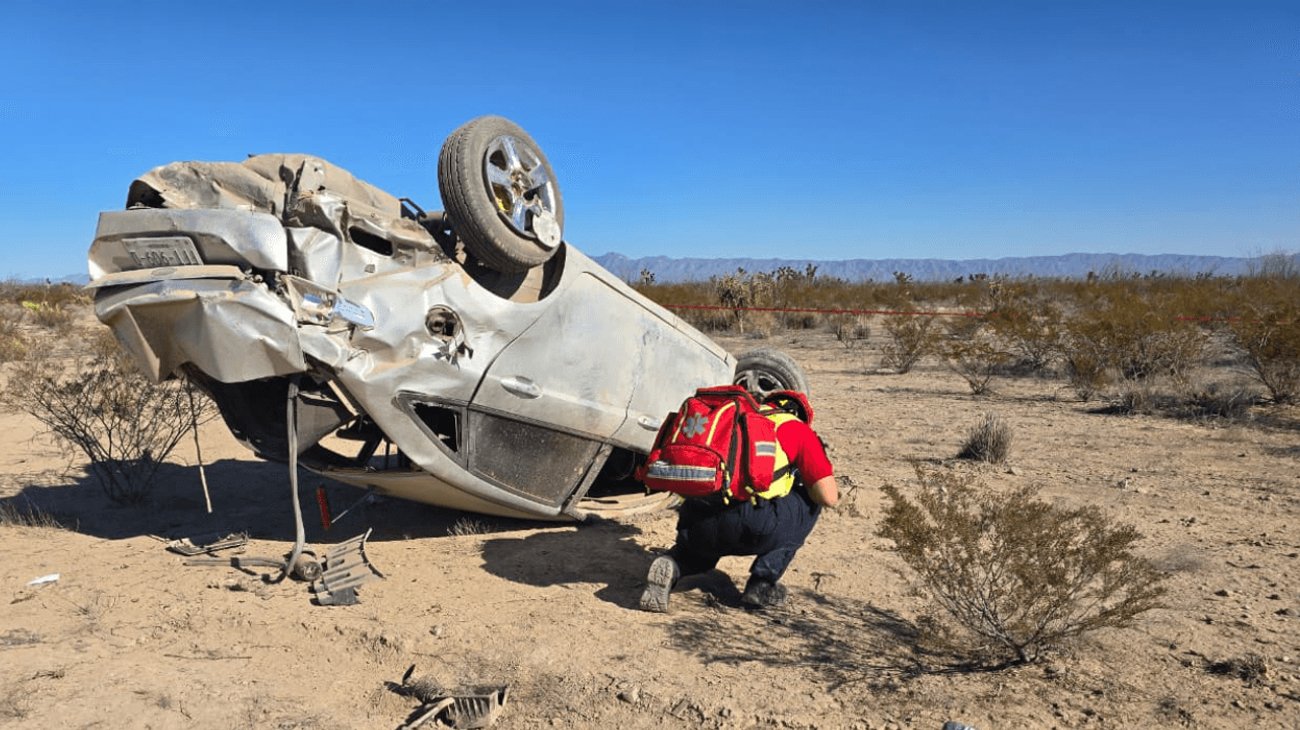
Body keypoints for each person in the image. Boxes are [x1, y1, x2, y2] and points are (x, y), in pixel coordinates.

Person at [639, 391, 838, 612]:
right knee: (810, 504)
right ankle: (762, 584)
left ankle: (674, 563)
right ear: (799, 414)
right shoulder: (795, 427)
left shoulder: (737, 420)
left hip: (696, 519)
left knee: (701, 551)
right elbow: (828, 497)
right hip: (751, 525)